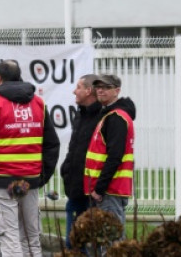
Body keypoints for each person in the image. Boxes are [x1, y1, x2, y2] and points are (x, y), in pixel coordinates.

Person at [0, 59, 60, 257]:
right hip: (30, 183)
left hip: (0, 183)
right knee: (31, 240)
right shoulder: (38, 103)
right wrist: (40, 177)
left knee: (9, 240)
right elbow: (52, 144)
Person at [83, 74, 136, 244]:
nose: (101, 90)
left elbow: (114, 157)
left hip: (109, 190)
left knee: (111, 243)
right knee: (107, 241)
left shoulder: (116, 118)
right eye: (98, 87)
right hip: (109, 189)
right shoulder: (110, 115)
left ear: (117, 91)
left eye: (106, 87)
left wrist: (99, 189)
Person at [59, 73, 103, 249]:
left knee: (92, 244)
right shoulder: (80, 115)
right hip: (75, 188)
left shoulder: (102, 117)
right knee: (73, 243)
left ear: (88, 91)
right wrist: (66, 169)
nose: (74, 91)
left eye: (78, 87)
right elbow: (74, 148)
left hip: (92, 191)